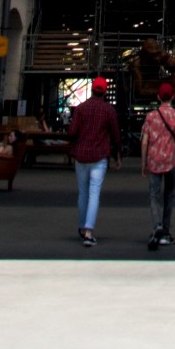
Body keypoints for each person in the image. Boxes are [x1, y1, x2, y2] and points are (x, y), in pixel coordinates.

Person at [66, 77, 120, 245]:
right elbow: (116, 134)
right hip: (99, 157)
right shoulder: (108, 110)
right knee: (94, 193)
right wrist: (117, 154)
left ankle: (82, 227)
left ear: (91, 90)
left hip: (81, 156)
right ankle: (89, 231)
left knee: (83, 192)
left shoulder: (81, 109)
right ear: (104, 92)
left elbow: (72, 132)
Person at [141, 81, 175, 252]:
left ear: (158, 97)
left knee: (154, 195)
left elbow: (145, 142)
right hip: (171, 162)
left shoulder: (151, 117)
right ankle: (166, 232)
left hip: (154, 161)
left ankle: (157, 227)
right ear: (173, 97)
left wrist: (143, 163)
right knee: (169, 195)